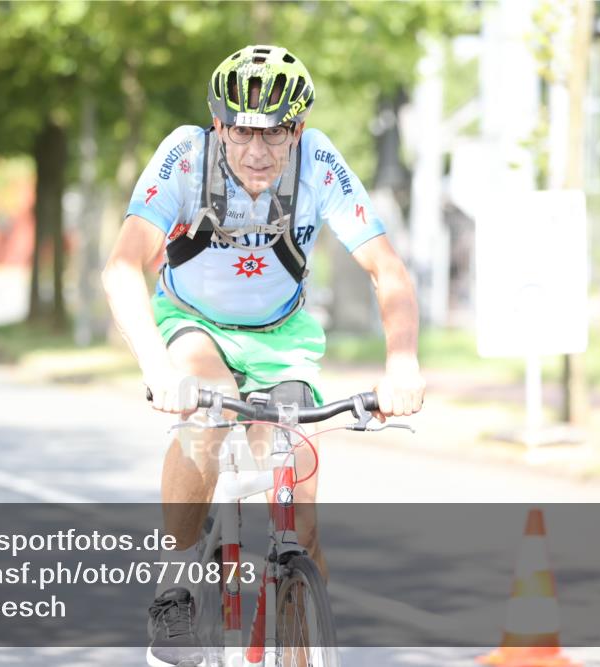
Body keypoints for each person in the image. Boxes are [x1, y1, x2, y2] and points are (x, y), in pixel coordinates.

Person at [101, 45, 425, 667]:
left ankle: (301, 630)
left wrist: (402, 364)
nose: (256, 150)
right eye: (242, 131)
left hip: (282, 336)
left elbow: (387, 269)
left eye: (274, 133)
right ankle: (174, 585)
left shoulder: (320, 163)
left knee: (298, 503)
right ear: (218, 124)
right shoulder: (184, 157)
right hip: (195, 323)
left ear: (296, 129)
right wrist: (155, 368)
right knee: (204, 422)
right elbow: (122, 267)